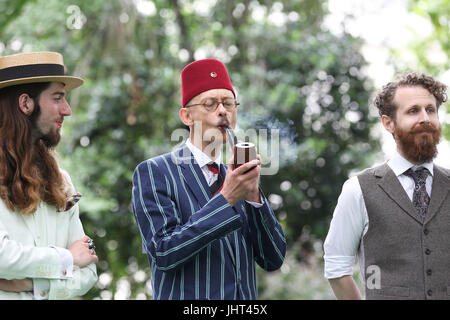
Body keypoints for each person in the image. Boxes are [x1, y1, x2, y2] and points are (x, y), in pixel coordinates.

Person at [132, 58, 286, 299]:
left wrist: (254, 197)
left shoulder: (236, 177)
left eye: (228, 103)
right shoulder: (155, 172)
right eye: (210, 104)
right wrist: (226, 199)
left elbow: (273, 259)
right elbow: (163, 253)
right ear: (186, 116)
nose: (223, 111)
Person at [323, 72, 449, 300]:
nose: (425, 118)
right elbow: (336, 268)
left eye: (430, 110)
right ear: (388, 123)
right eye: (413, 111)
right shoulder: (358, 189)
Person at [0, 51, 98, 299]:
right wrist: (66, 258)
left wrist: (34, 285)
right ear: (25, 103)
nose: (67, 110)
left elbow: (88, 270)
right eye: (57, 98)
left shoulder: (62, 181)